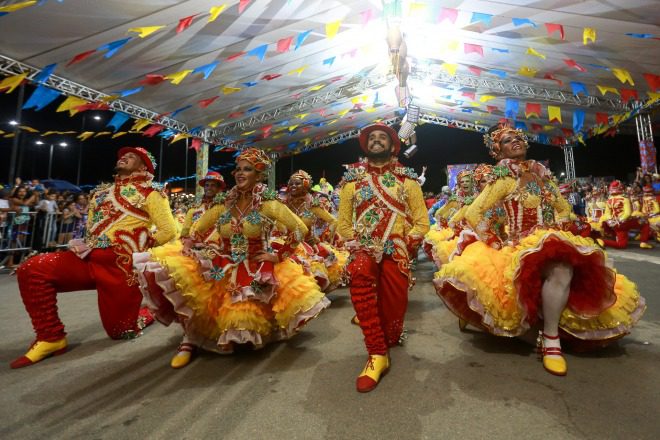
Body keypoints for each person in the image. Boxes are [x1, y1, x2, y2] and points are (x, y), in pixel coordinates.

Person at [434, 125, 646, 376]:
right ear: (497, 150)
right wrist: (493, 240)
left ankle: (550, 337)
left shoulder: (541, 175)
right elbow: (472, 212)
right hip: (516, 247)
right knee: (524, 295)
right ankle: (543, 337)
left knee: (564, 270)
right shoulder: (503, 179)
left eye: (518, 138)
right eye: (507, 140)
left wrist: (564, 222)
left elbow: (564, 207)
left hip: (549, 239)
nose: (516, 142)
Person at [135, 148, 330, 368]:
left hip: (257, 266)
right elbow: (196, 229)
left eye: (247, 169)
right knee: (191, 291)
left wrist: (278, 256)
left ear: (259, 174)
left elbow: (299, 229)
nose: (239, 173)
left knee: (245, 328)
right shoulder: (224, 203)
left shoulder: (269, 204)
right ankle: (189, 341)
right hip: (224, 263)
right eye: (237, 169)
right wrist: (190, 244)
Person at [10, 147, 177, 369]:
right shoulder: (99, 193)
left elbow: (168, 230)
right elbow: (91, 230)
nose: (124, 157)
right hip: (87, 259)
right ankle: (50, 337)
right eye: (122, 156)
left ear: (144, 166)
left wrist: (139, 251)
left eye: (133, 156)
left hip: (121, 269)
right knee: (32, 268)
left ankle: (149, 310)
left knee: (121, 332)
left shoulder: (152, 192)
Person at [337, 123, 429, 392]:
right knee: (360, 273)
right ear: (366, 146)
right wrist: (356, 244)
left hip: (396, 249)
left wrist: (405, 243)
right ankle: (376, 354)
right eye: (372, 138)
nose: (376, 141)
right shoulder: (351, 183)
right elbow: (342, 223)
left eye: (382, 137)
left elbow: (422, 223)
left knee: (394, 307)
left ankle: (386, 339)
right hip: (364, 249)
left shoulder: (407, 181)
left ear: (393, 146)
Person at [280, 169, 346, 292]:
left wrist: (329, 239)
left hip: (308, 245)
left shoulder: (312, 204)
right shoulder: (284, 204)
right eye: (291, 183)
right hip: (287, 244)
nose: (293, 186)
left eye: (297, 183)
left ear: (305, 184)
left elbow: (333, 221)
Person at [600, 180, 653, 249]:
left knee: (621, 245)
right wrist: (619, 220)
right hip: (623, 223)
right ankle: (643, 242)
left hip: (615, 224)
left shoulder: (609, 200)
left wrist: (612, 221)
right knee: (645, 222)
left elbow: (607, 213)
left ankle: (602, 241)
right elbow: (628, 213)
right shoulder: (625, 199)